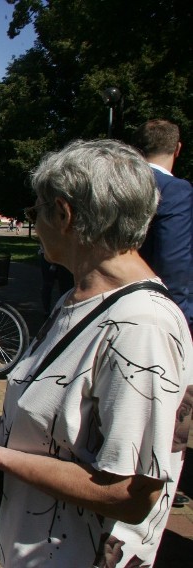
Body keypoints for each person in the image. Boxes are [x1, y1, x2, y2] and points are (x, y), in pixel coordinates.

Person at [0, 139, 193, 567]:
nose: (34, 225)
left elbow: (129, 493)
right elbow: (43, 405)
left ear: (64, 214)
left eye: (35, 213)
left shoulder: (142, 327)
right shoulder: (79, 297)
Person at [132, 119, 193, 507]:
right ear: (178, 149)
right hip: (162, 310)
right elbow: (176, 264)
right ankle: (161, 474)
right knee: (171, 402)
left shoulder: (125, 186)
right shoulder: (176, 190)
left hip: (117, 304)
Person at [38, 245, 74, 318]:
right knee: (62, 285)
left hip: (49, 254)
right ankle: (58, 311)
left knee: (50, 284)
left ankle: (48, 311)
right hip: (60, 255)